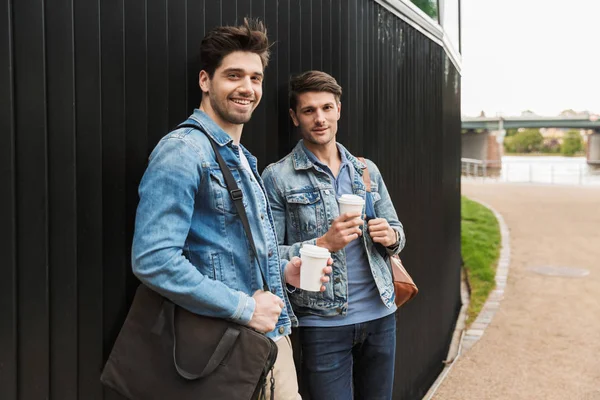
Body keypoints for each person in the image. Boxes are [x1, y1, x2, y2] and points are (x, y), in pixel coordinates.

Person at [131, 20, 331, 400]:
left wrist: (287, 268)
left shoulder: (241, 158)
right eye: (234, 75)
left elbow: (231, 250)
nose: (247, 88)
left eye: (255, 78)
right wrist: (244, 307)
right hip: (221, 350)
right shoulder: (183, 151)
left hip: (269, 340)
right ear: (206, 81)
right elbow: (153, 259)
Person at [261, 70, 406, 400]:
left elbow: (398, 232)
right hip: (321, 324)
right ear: (294, 117)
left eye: (327, 108)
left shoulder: (365, 170)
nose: (320, 118)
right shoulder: (278, 177)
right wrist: (323, 243)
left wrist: (390, 236)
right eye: (309, 110)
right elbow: (268, 255)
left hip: (381, 315)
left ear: (338, 110)